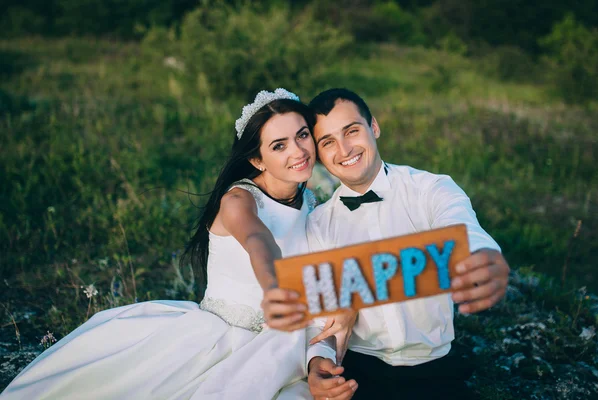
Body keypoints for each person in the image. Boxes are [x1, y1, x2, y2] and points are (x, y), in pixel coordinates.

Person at [1, 89, 336, 400]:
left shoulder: (311, 202)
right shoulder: (239, 199)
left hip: (281, 341)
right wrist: (274, 286)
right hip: (219, 338)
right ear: (257, 160)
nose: (298, 151)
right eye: (279, 145)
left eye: (302, 135)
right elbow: (258, 240)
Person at [263, 88, 510, 400]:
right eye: (328, 142)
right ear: (319, 154)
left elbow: (463, 229)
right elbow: (319, 319)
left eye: (351, 131)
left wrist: (483, 256)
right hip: (360, 371)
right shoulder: (318, 224)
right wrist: (319, 362)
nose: (344, 149)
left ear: (374, 127)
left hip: (434, 367)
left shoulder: (431, 188)